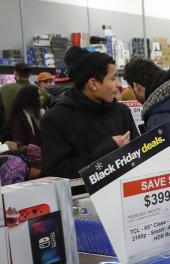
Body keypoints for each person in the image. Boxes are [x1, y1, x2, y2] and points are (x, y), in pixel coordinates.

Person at [41, 47, 138, 180]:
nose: (117, 85)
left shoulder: (122, 112)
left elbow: (140, 153)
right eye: (112, 78)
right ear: (93, 84)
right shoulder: (55, 119)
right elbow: (57, 172)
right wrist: (107, 150)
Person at [0, 63, 35, 140]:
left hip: (10, 133)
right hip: (34, 133)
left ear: (15, 73)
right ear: (30, 74)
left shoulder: (4, 89)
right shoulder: (39, 90)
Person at [8, 84, 42, 148]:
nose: (42, 98)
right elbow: (20, 140)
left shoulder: (33, 114)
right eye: (39, 96)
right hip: (29, 154)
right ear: (31, 98)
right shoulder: (20, 117)